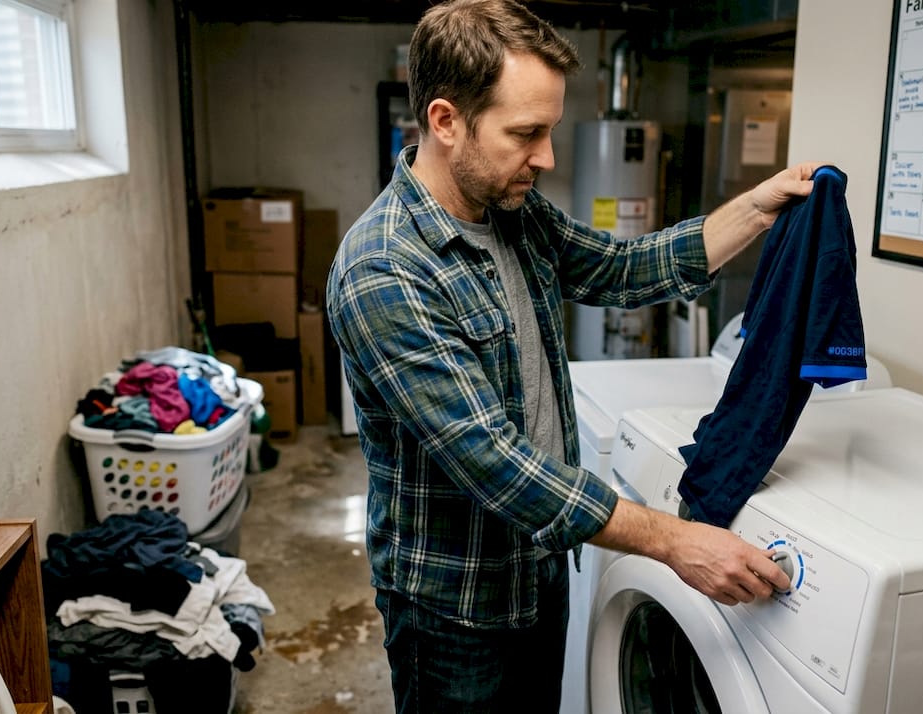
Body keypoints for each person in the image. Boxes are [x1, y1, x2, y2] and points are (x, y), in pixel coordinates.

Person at [325, 0, 813, 709]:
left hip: (540, 568)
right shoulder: (386, 269)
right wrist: (675, 541)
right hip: (456, 609)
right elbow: (498, 466)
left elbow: (618, 267)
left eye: (549, 130)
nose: (548, 158)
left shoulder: (510, 210)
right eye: (526, 133)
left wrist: (758, 209)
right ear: (444, 120)